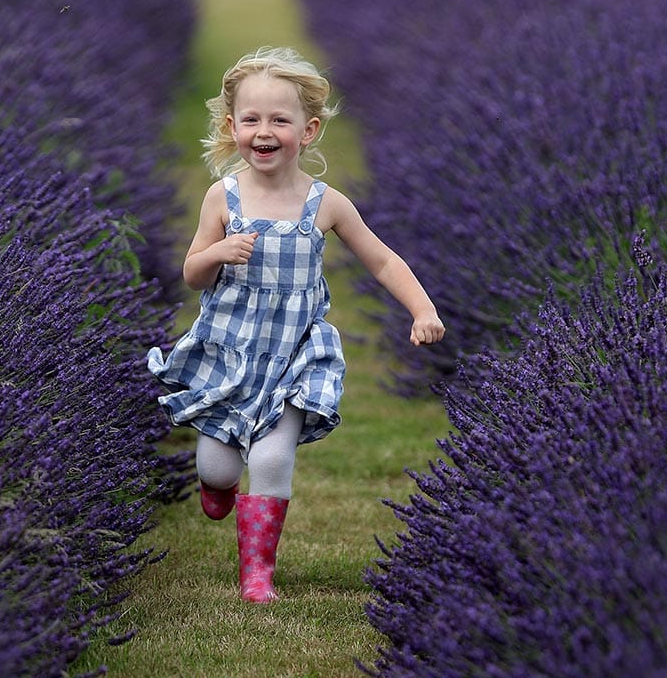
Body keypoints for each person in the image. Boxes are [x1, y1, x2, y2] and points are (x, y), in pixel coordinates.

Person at [147, 46, 444, 603]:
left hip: (295, 350)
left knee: (273, 457)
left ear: (307, 132)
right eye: (251, 120)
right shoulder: (223, 197)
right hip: (231, 348)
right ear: (231, 127)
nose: (264, 131)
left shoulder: (324, 203)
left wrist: (422, 308)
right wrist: (218, 253)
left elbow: (382, 260)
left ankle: (256, 574)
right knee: (214, 464)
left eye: (279, 121)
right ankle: (219, 484)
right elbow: (190, 272)